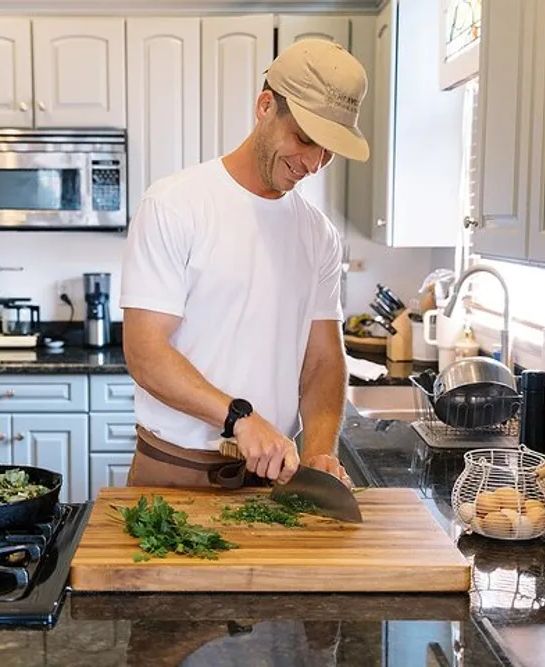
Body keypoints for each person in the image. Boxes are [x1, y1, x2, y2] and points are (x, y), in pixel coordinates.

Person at [120, 38, 369, 489]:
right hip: (174, 474)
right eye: (305, 139)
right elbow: (145, 352)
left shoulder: (318, 234)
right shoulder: (175, 204)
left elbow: (322, 360)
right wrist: (239, 417)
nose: (313, 164)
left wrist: (317, 452)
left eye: (328, 151)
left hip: (274, 479)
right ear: (265, 106)